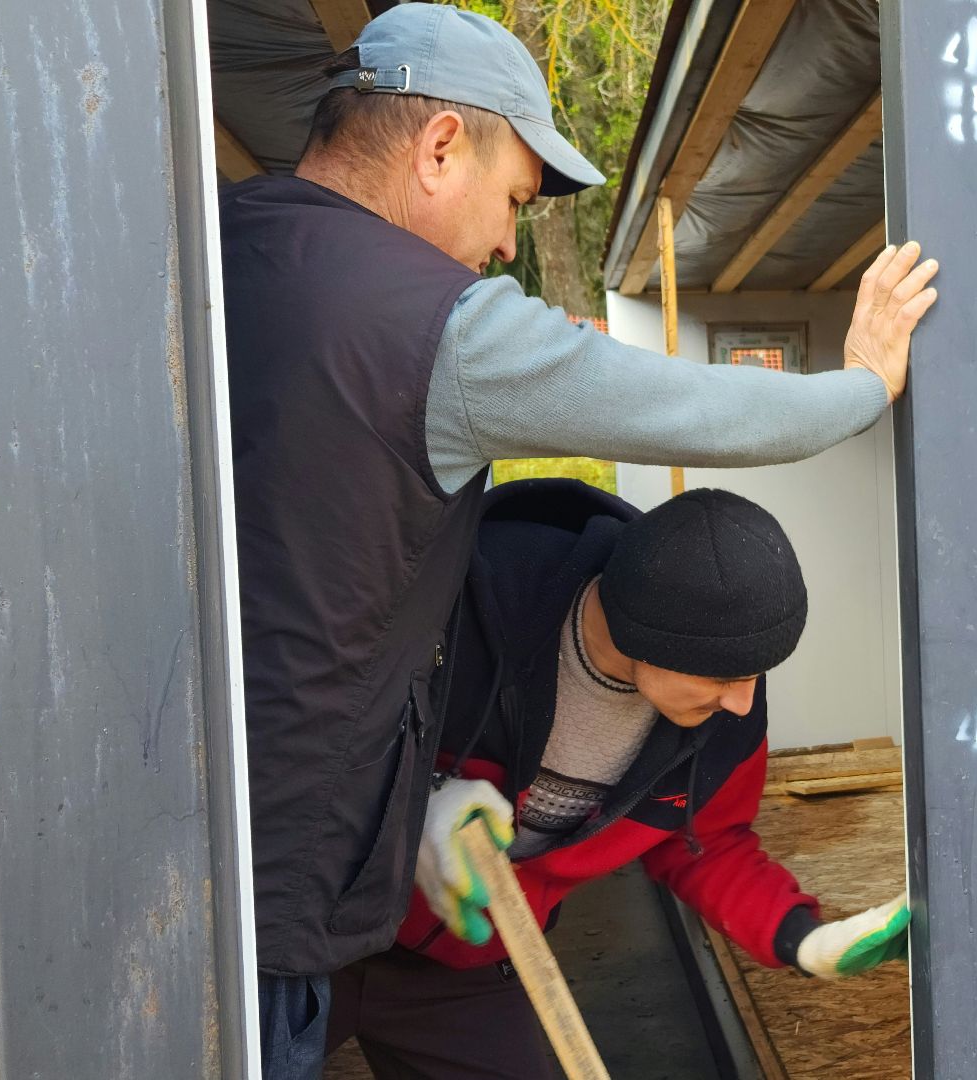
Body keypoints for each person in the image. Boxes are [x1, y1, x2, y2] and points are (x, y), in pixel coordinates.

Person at [219, 4, 937, 1074]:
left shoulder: (218, 251)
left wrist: (803, 937)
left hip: (268, 876)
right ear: (440, 146)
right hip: (304, 893)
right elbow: (672, 400)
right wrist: (861, 388)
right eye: (513, 198)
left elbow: (709, 845)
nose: (508, 242)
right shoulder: (429, 325)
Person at [322, 480, 909, 1077]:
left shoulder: (722, 719)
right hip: (312, 933)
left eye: (757, 673)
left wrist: (803, 940)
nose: (742, 702)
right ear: (643, 635)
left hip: (461, 962)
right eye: (724, 676)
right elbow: (298, 733)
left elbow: (704, 845)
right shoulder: (456, 603)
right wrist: (415, 804)